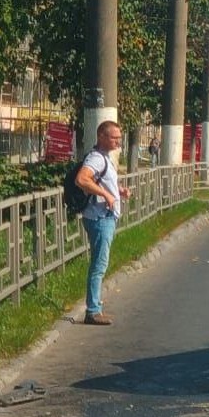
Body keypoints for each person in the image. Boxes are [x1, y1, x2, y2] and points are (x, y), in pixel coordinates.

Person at [75, 120, 131, 325]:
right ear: (101, 137)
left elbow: (103, 181)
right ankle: (93, 310)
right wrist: (107, 195)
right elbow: (82, 179)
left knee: (100, 264)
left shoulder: (105, 158)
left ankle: (94, 307)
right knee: (99, 265)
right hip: (100, 218)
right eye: (114, 137)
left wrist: (119, 191)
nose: (118, 141)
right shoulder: (96, 158)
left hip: (104, 217)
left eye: (119, 137)